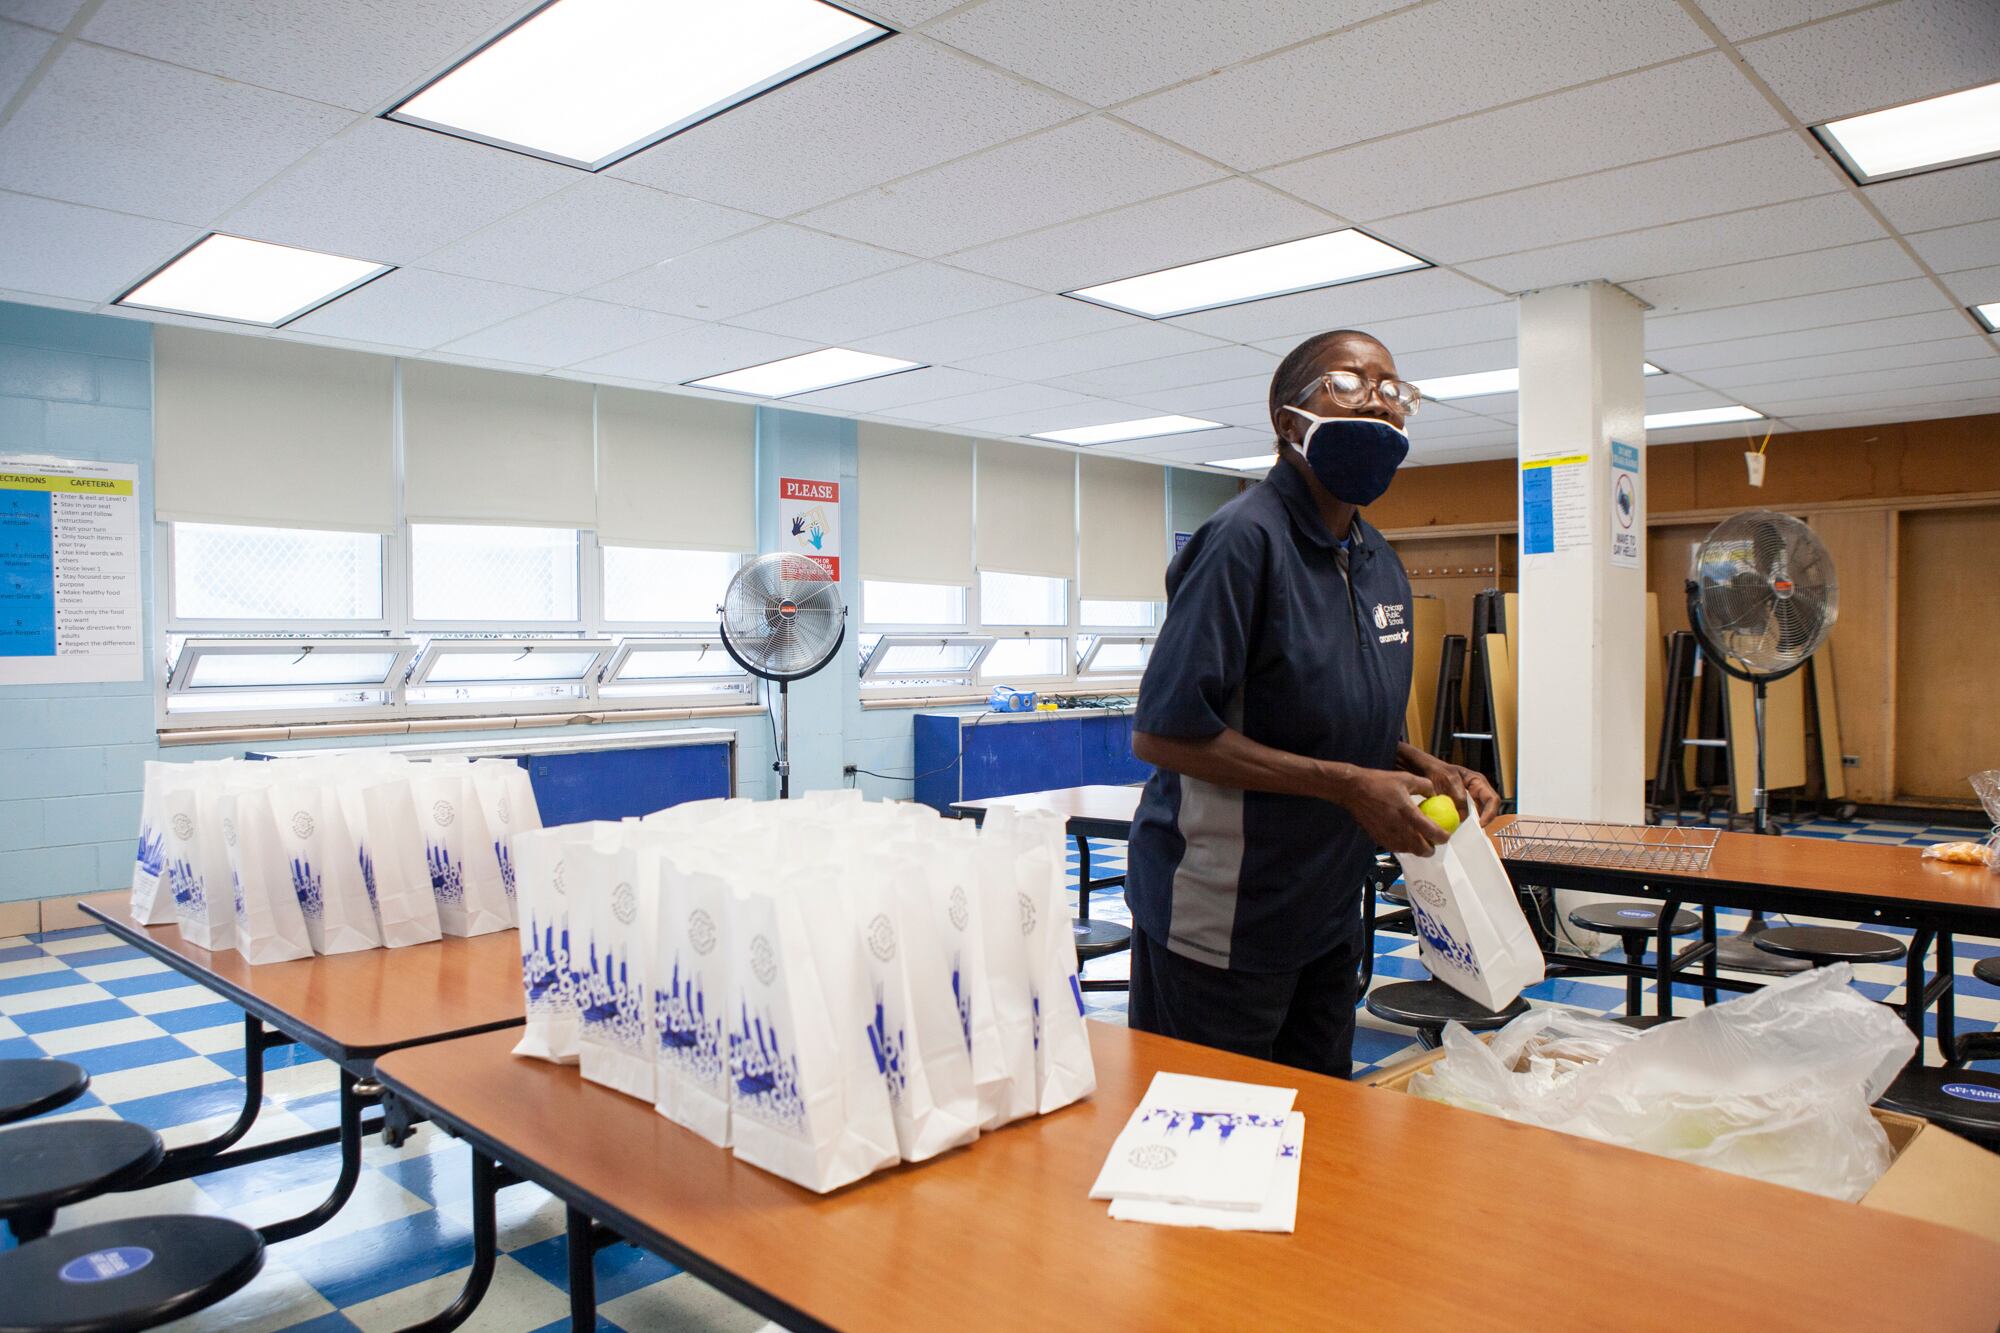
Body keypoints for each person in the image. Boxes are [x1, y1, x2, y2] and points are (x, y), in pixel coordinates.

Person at [1123, 327, 1501, 1078]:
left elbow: (1341, 720)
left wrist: (1424, 768)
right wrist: (1349, 786)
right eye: (1350, 383)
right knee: (1214, 1156)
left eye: (1394, 391)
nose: (1379, 403)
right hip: (1224, 917)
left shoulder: (1379, 561)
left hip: (1328, 912)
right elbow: (1164, 733)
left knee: (1319, 1136)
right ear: (1287, 419)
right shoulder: (1241, 542)